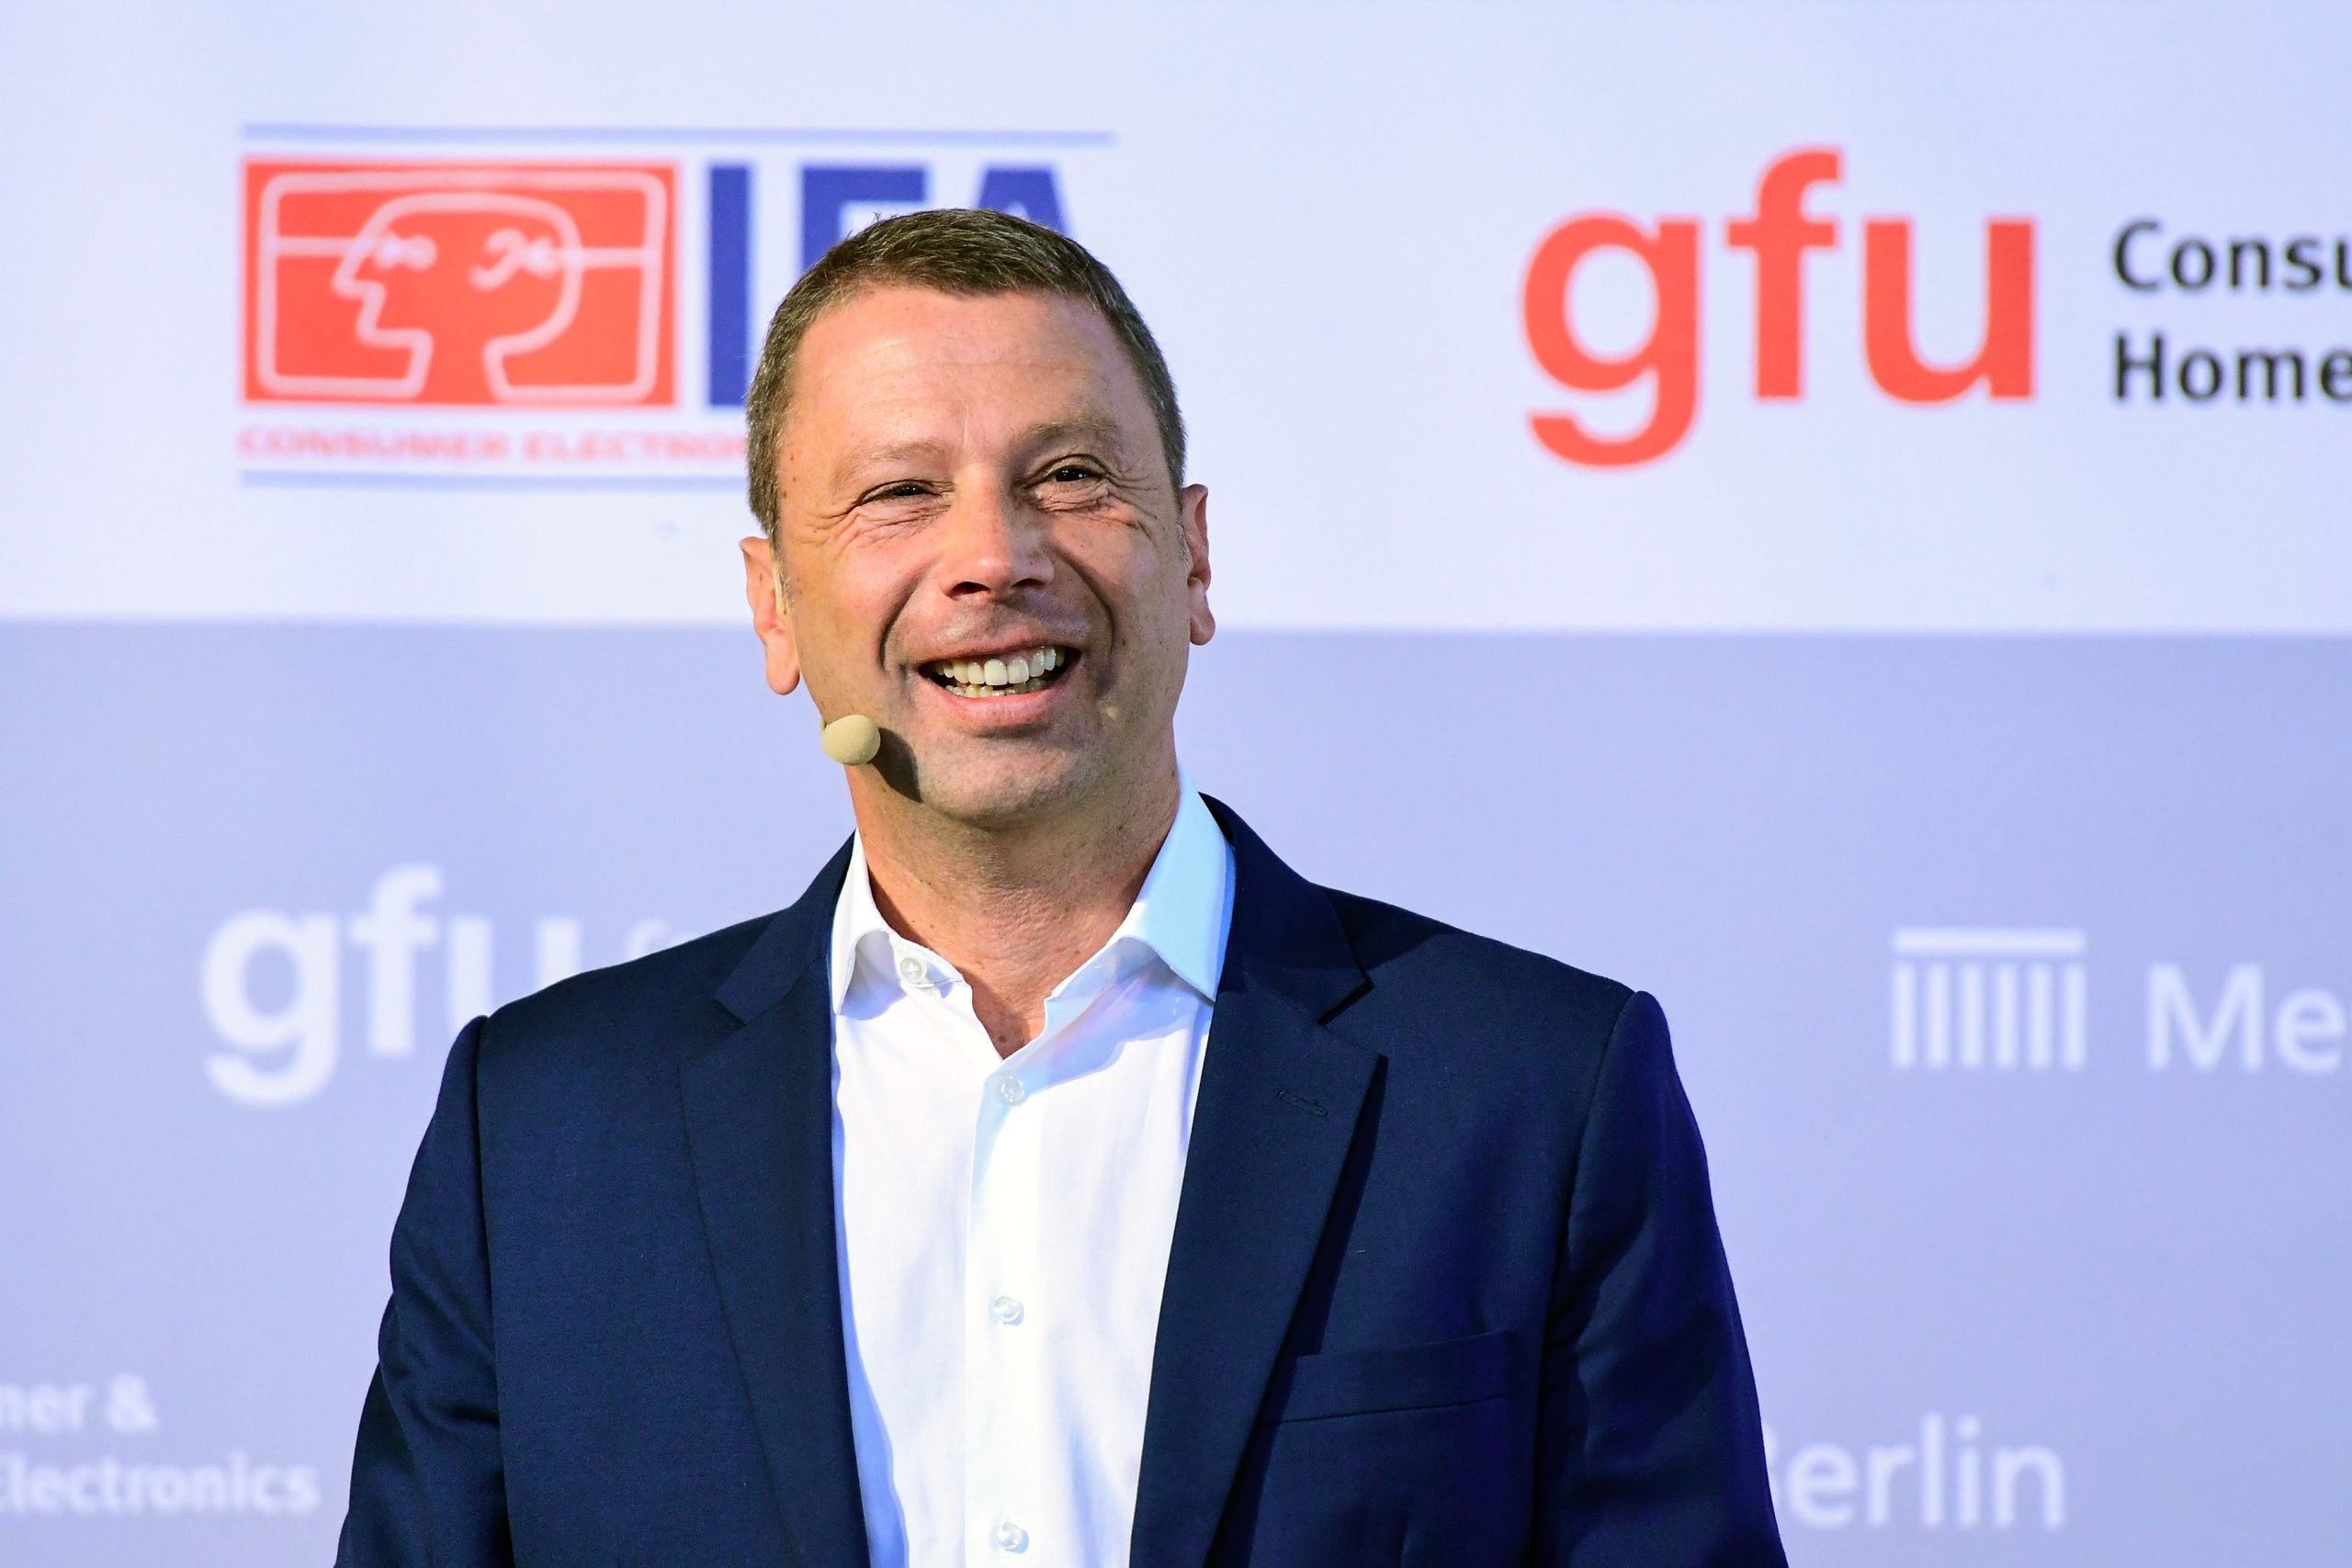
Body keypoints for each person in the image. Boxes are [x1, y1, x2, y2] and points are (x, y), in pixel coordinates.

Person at [335, 208, 1785, 1568]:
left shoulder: (1536, 1096)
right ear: (773, 605)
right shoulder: (539, 1134)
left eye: (1070, 477)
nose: (994, 557)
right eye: (899, 493)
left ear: (1195, 556)